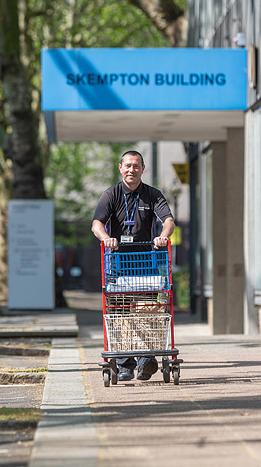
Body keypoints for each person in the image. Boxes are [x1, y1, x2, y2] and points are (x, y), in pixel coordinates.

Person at [91, 150, 175, 381]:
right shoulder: (111, 194)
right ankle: (125, 364)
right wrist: (106, 238)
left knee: (146, 311)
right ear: (120, 168)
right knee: (120, 313)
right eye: (127, 165)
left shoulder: (152, 195)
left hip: (145, 262)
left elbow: (168, 221)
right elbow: (97, 224)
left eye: (136, 166)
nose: (131, 170)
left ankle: (146, 359)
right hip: (118, 264)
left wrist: (163, 237)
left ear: (142, 169)